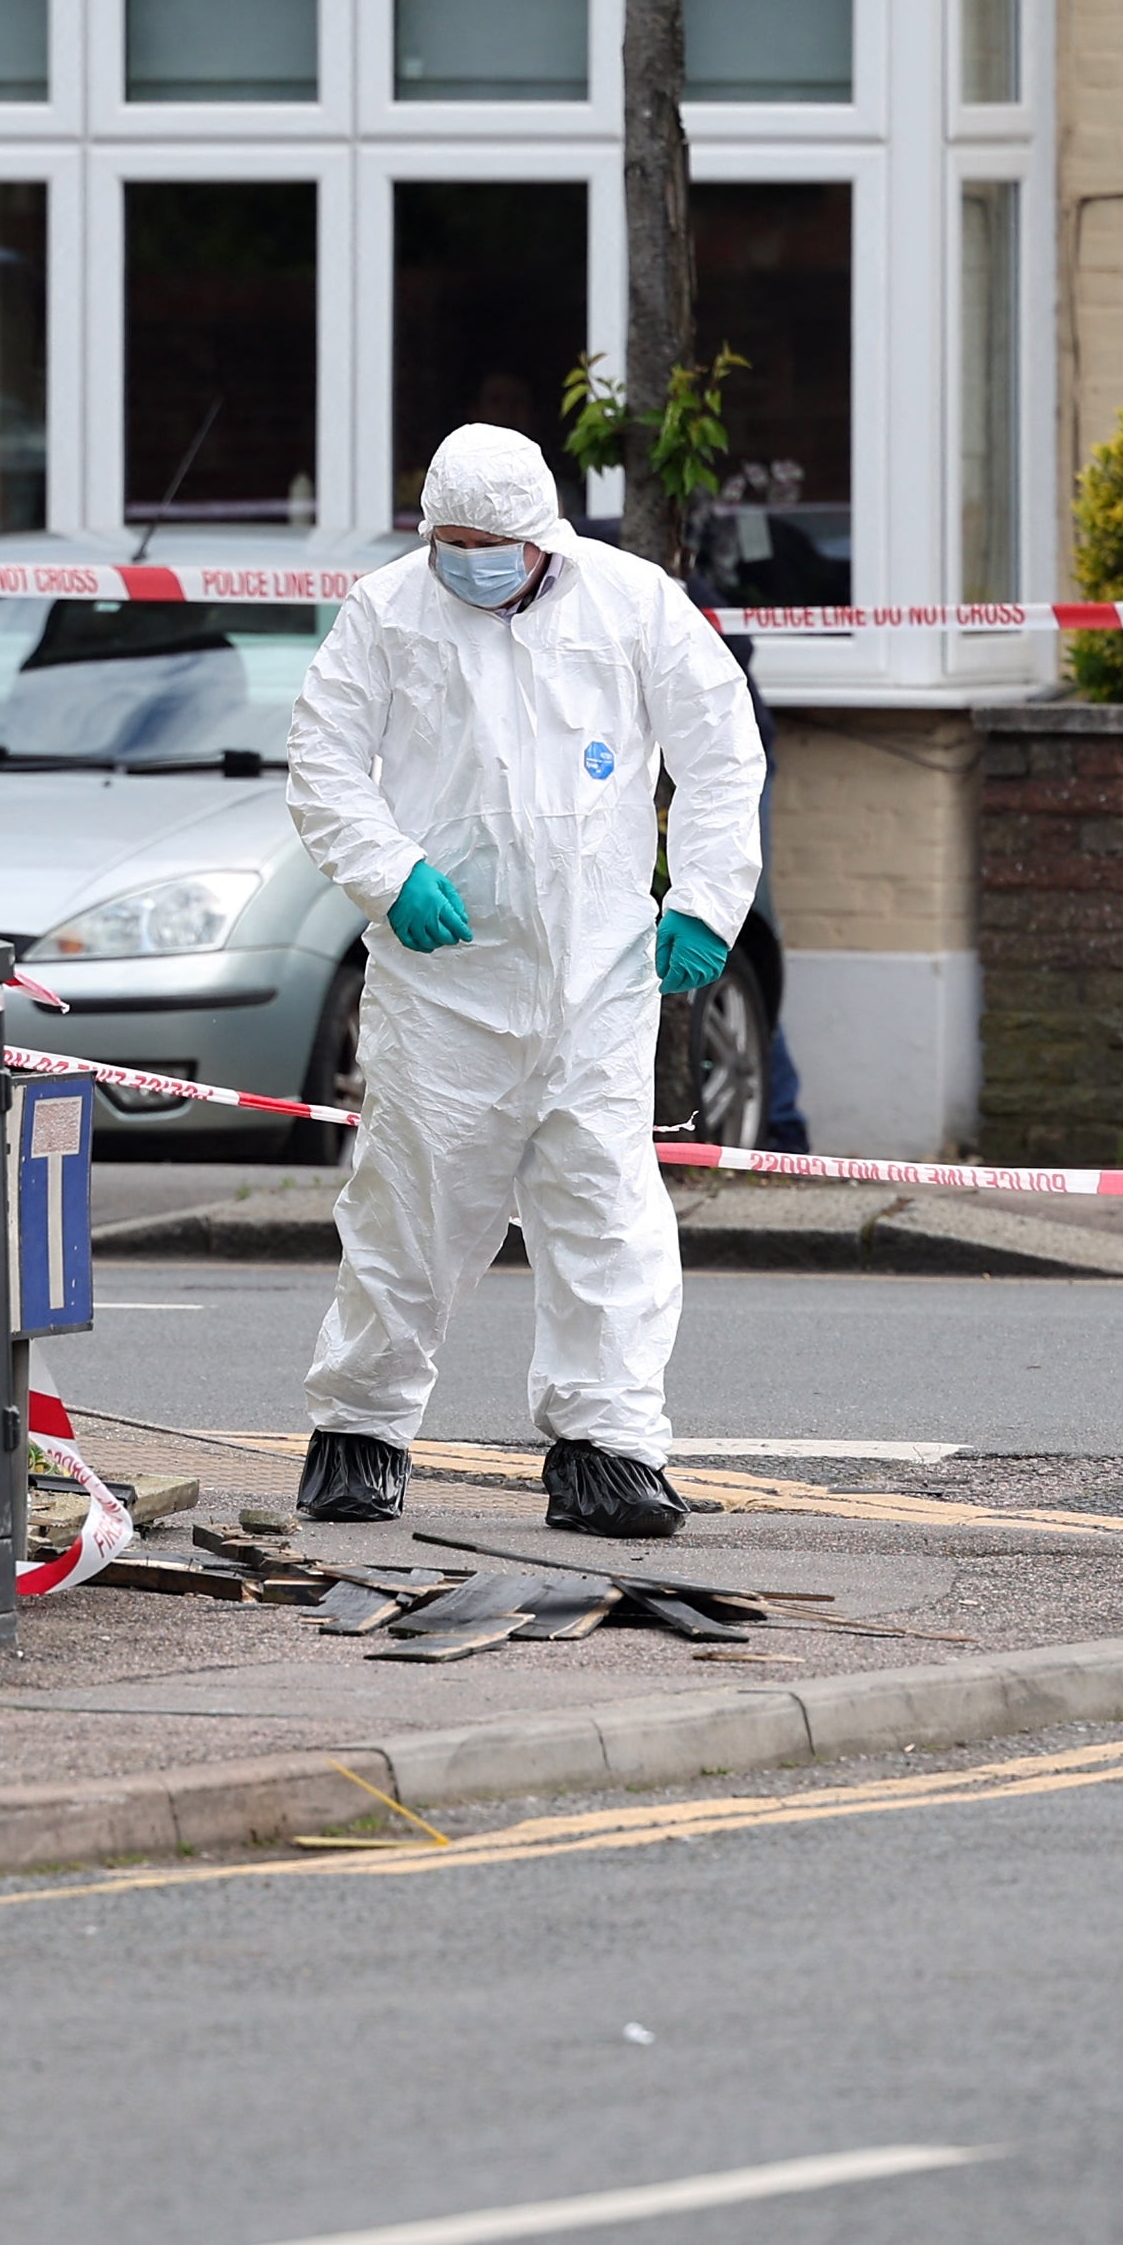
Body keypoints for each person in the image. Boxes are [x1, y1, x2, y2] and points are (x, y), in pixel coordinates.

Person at [282, 424, 767, 1540]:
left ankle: (608, 1452)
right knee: (408, 1211)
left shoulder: (632, 605)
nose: (470, 561)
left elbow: (720, 751)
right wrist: (388, 871)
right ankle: (358, 1431)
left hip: (595, 983)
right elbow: (320, 758)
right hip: (442, 984)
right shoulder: (389, 612)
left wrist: (701, 898)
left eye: (490, 543)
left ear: (540, 538)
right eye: (451, 541)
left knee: (605, 1215)